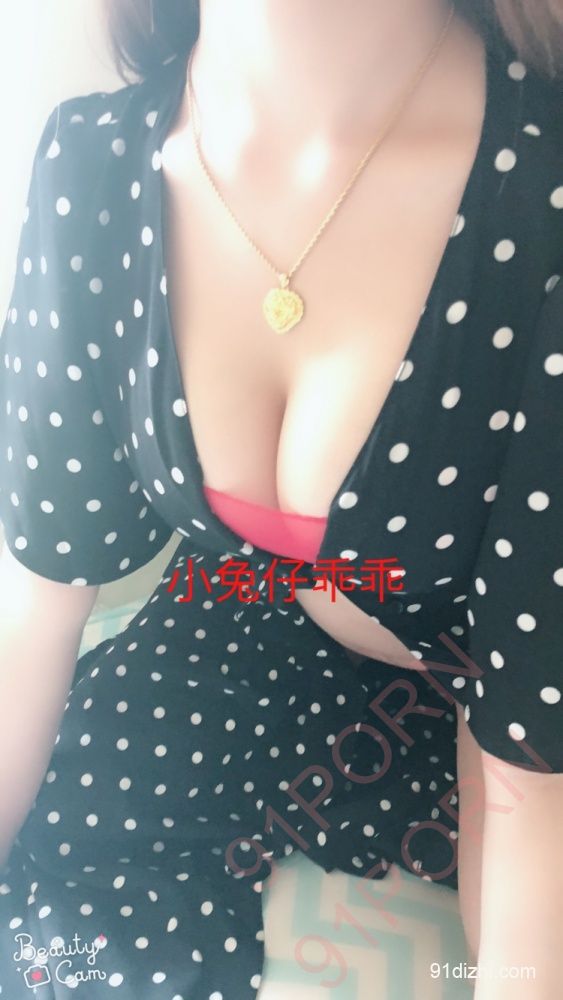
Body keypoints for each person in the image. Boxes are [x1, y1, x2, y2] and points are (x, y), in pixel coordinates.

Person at [0, 0, 562, 996]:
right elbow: (37, 606)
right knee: (62, 934)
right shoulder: (95, 161)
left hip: (504, 688)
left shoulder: (540, 197)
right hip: (245, 619)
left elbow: (528, 755)